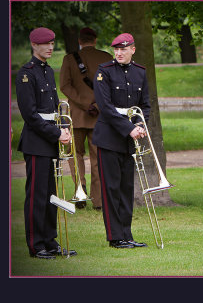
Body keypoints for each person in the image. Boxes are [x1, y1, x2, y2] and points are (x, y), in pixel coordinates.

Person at [16, 27, 77, 259]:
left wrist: (63, 128)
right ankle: (36, 245)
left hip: (51, 139)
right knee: (37, 196)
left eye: (52, 43)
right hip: (36, 142)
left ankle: (50, 241)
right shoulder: (26, 74)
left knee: (51, 194)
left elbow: (52, 110)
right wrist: (55, 133)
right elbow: (30, 116)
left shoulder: (48, 71)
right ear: (34, 45)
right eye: (45, 44)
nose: (50, 47)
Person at [93, 33, 151, 249]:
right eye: (116, 49)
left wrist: (140, 125)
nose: (118, 53)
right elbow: (105, 107)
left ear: (132, 50)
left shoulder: (140, 73)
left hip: (130, 139)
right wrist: (129, 129)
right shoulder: (104, 72)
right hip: (109, 137)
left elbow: (145, 105)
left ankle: (127, 234)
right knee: (111, 189)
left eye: (123, 49)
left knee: (127, 188)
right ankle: (115, 237)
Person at [60, 27, 113, 210]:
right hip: (99, 117)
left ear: (80, 41)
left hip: (76, 115)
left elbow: (65, 86)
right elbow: (111, 87)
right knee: (98, 158)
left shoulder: (69, 59)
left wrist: (83, 104)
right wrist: (97, 106)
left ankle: (80, 193)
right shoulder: (106, 57)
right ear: (95, 40)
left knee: (76, 155)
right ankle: (98, 201)